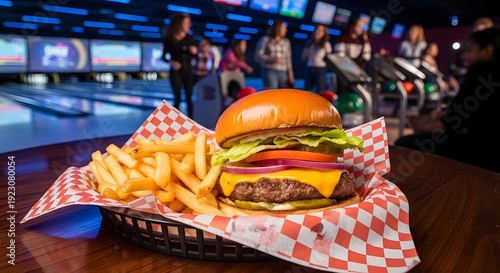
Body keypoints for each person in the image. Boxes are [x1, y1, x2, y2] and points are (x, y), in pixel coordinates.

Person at [394, 27, 500, 173]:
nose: (463, 56)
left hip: (484, 153)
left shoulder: (482, 72)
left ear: (487, 50)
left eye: (469, 50)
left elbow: (449, 123)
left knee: (403, 143)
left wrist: (416, 123)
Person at [161, 13, 197, 118]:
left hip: (188, 71)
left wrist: (194, 52)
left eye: (189, 23)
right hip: (175, 72)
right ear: (179, 23)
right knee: (177, 98)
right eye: (186, 23)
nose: (189, 25)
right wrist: (172, 62)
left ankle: (192, 121)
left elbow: (196, 54)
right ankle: (175, 122)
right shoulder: (169, 39)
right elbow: (163, 57)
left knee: (189, 98)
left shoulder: (190, 38)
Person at [254, 19, 295, 89]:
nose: (286, 30)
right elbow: (257, 57)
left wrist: (291, 74)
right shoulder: (265, 40)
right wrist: (271, 59)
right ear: (277, 28)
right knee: (272, 93)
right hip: (269, 71)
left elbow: (288, 60)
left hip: (283, 72)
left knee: (285, 93)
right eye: (284, 27)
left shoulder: (286, 42)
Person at [302, 24, 332, 93]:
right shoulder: (309, 43)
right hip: (310, 68)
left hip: (321, 69)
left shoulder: (326, 44)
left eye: (321, 30)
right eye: (317, 29)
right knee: (307, 91)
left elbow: (329, 59)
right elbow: (303, 57)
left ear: (324, 33)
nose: (318, 32)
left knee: (320, 90)